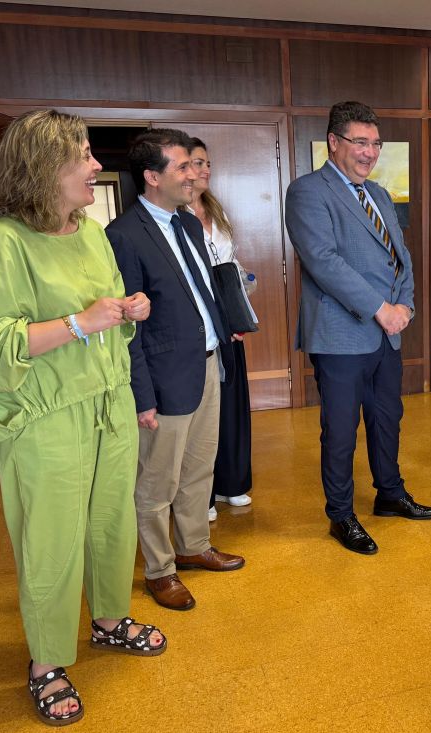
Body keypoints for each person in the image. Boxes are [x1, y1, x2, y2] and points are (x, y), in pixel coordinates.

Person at [0, 109, 165, 727]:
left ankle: (108, 619)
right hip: (46, 416)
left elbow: (106, 309)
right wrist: (80, 322)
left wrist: (129, 308)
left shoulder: (92, 233)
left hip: (107, 400)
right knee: (51, 539)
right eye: (84, 155)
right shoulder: (5, 242)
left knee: (110, 523)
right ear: (45, 167)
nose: (96, 165)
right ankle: (45, 661)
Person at [285, 100, 431, 555]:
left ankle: (389, 493)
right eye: (360, 142)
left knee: (387, 417)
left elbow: (400, 256)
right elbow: (323, 261)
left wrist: (405, 305)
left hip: (387, 333)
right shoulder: (308, 192)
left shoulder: (380, 194)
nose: (369, 152)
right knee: (340, 429)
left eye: (375, 143)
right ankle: (341, 514)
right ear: (333, 142)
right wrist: (379, 308)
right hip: (340, 334)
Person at [107, 128, 244, 612]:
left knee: (199, 467)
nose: (194, 175)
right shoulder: (123, 236)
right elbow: (128, 327)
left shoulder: (186, 222)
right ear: (152, 176)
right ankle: (160, 570)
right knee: (156, 482)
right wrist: (141, 396)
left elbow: (198, 291)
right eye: (182, 167)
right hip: (163, 379)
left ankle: (193, 546)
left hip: (206, 363)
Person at [185, 138, 254, 519]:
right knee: (202, 414)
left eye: (207, 163)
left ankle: (232, 483)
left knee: (231, 405)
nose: (204, 170)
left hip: (229, 320)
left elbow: (231, 262)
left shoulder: (216, 209)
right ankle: (204, 495)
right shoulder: (174, 216)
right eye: (197, 163)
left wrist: (243, 292)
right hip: (199, 324)